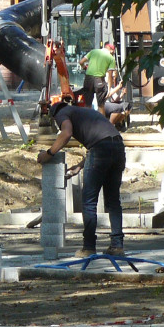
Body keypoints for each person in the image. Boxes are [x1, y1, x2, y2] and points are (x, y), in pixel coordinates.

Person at [37, 101, 126, 257]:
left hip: (100, 149)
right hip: (118, 147)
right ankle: (117, 246)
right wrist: (80, 165)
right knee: (113, 200)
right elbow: (103, 140)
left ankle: (89, 247)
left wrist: (49, 153)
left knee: (89, 201)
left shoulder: (61, 113)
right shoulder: (83, 112)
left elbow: (66, 133)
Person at [78, 43, 116, 108]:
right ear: (111, 50)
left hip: (88, 79)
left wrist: (85, 68)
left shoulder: (93, 51)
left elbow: (81, 62)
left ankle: (87, 118)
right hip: (99, 80)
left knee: (87, 104)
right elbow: (110, 76)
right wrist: (109, 89)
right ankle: (101, 118)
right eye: (113, 52)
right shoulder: (111, 58)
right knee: (101, 105)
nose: (113, 54)